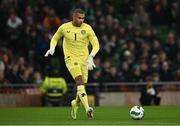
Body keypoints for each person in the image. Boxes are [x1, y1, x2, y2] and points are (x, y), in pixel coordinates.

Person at [44, 8, 100, 119]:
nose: (81, 20)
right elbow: (55, 38)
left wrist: (91, 56)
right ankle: (88, 109)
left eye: (83, 18)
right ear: (73, 17)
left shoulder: (88, 28)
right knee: (79, 81)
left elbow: (96, 45)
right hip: (70, 58)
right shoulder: (64, 27)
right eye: (79, 18)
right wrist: (52, 47)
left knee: (82, 86)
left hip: (84, 60)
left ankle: (75, 103)